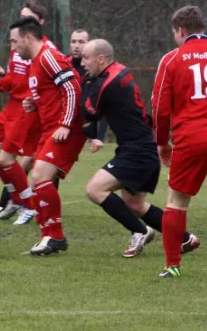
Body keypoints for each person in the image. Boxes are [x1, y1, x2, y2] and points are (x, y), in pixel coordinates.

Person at [80, 39, 200, 258]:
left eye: (86, 58)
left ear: (101, 59)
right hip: (141, 147)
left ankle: (140, 231)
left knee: (95, 190)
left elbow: (88, 111)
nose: (82, 62)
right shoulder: (118, 72)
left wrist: (82, 85)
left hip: (137, 151)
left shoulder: (106, 83)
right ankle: (185, 238)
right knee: (135, 205)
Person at [152, 5, 207, 278]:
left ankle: (172, 265)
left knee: (176, 202)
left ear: (181, 31)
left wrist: (162, 143)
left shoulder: (172, 60)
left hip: (191, 139)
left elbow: (160, 108)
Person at [9, 16, 87, 256]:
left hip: (65, 127)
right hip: (50, 127)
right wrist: (35, 101)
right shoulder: (35, 62)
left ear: (28, 38)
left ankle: (55, 236)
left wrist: (65, 123)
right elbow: (52, 91)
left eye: (14, 42)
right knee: (37, 179)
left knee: (41, 176)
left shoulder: (48, 57)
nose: (12, 48)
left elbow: (73, 88)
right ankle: (48, 235)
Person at [0, 0, 57, 224]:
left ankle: (29, 205)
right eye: (22, 17)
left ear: (39, 23)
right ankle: (16, 199)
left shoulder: (46, 51)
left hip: (28, 109)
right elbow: (13, 80)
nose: (23, 21)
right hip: (11, 106)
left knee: (8, 158)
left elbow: (55, 86)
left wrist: (39, 103)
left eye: (29, 18)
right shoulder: (18, 47)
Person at [67, 29, 108, 152]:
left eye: (81, 42)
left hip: (81, 126)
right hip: (60, 123)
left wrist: (99, 137)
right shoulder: (62, 64)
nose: (76, 46)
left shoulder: (96, 70)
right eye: (73, 42)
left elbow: (105, 104)